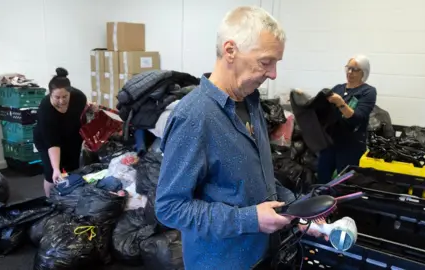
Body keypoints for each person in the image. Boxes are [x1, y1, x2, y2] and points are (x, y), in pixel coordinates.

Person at [155, 6, 323, 270]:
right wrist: (249, 220)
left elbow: (255, 179)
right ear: (230, 51)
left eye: (276, 63)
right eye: (266, 62)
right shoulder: (195, 116)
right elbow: (170, 207)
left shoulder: (251, 102)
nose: (273, 74)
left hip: (262, 255)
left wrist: (296, 208)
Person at [33, 67, 95, 197]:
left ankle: (69, 200)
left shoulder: (79, 97)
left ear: (70, 92)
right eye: (57, 97)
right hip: (47, 140)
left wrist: (90, 107)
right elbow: (52, 142)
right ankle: (50, 201)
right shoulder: (45, 110)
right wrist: (56, 168)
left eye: (65, 96)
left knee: (73, 168)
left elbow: (83, 113)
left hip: (71, 135)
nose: (61, 101)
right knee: (52, 174)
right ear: (50, 94)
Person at [317, 55, 377, 183]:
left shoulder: (368, 92)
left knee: (345, 183)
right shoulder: (338, 88)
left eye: (355, 69)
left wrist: (340, 103)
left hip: (351, 146)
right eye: (348, 68)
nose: (350, 72)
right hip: (330, 143)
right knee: (322, 178)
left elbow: (356, 118)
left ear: (364, 73)